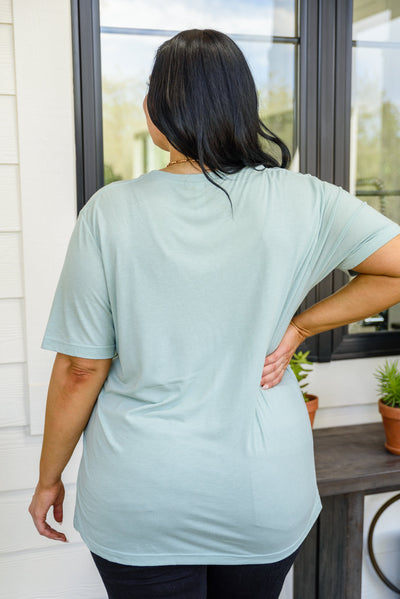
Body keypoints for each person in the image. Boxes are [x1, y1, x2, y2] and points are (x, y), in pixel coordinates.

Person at [29, 28, 400, 599]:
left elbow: (81, 369)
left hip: (142, 497)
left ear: (161, 108)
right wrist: (301, 327)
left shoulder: (110, 212)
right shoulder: (306, 198)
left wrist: (48, 478)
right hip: (261, 495)